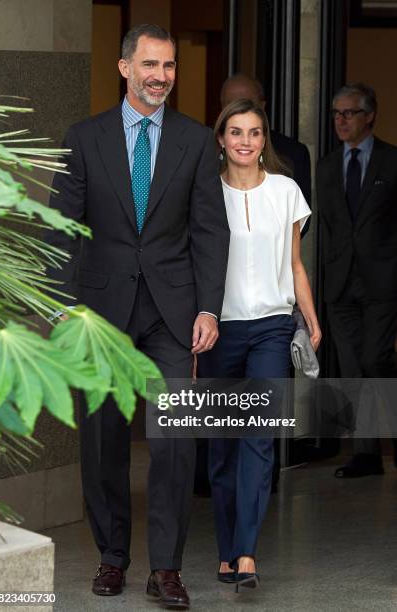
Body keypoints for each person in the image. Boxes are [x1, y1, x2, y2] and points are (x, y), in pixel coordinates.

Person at [46, 24, 230, 610]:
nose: (161, 76)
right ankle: (112, 556)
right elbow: (63, 231)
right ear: (125, 68)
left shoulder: (198, 142)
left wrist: (208, 307)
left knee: (174, 442)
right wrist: (64, 308)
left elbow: (209, 230)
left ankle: (167, 568)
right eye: (150, 65)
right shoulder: (83, 138)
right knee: (102, 440)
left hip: (174, 316)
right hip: (100, 315)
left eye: (169, 66)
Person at [199, 98, 321, 590]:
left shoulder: (286, 190)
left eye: (254, 132)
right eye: (236, 132)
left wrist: (309, 314)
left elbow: (294, 262)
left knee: (259, 434)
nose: (245, 141)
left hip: (272, 325)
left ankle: (247, 551)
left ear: (263, 138)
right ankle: (227, 550)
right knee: (223, 444)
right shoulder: (205, 193)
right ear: (221, 139)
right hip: (219, 329)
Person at [317, 82, 397, 478]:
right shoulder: (328, 166)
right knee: (351, 368)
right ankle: (366, 454)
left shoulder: (392, 162)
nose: (340, 120)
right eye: (336, 114)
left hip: (383, 283)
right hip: (340, 285)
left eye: (349, 113)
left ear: (370, 116)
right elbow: (330, 228)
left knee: (375, 361)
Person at [220, 74, 311, 210]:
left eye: (247, 104)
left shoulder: (288, 184)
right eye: (232, 105)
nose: (241, 112)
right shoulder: (203, 162)